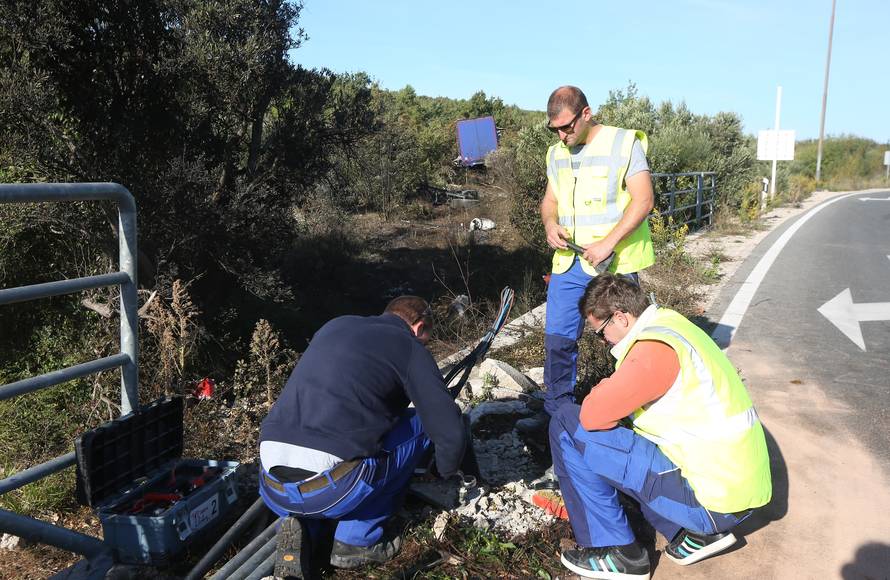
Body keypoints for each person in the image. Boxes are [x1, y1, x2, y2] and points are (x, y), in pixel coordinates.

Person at [549, 273, 772, 579]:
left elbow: (592, 416)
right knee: (635, 439)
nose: (603, 342)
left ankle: (617, 552)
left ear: (621, 317)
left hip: (713, 502)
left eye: (601, 333)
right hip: (734, 492)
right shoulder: (671, 325)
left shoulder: (652, 352)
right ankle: (690, 532)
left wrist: (602, 386)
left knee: (565, 422)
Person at [257, 296, 467, 576]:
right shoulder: (408, 346)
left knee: (332, 452)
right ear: (418, 328)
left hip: (273, 487)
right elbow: (447, 426)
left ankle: (307, 528)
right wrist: (444, 470)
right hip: (332, 491)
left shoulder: (335, 325)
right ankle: (356, 540)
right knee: (419, 428)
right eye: (427, 337)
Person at [523, 85, 656, 489]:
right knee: (558, 340)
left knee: (625, 342)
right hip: (569, 264)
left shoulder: (623, 143)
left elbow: (643, 199)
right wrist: (550, 224)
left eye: (566, 127)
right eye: (554, 130)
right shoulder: (556, 152)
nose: (561, 136)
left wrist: (609, 243)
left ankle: (631, 418)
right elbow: (550, 201)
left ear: (586, 114)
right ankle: (558, 415)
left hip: (614, 263)